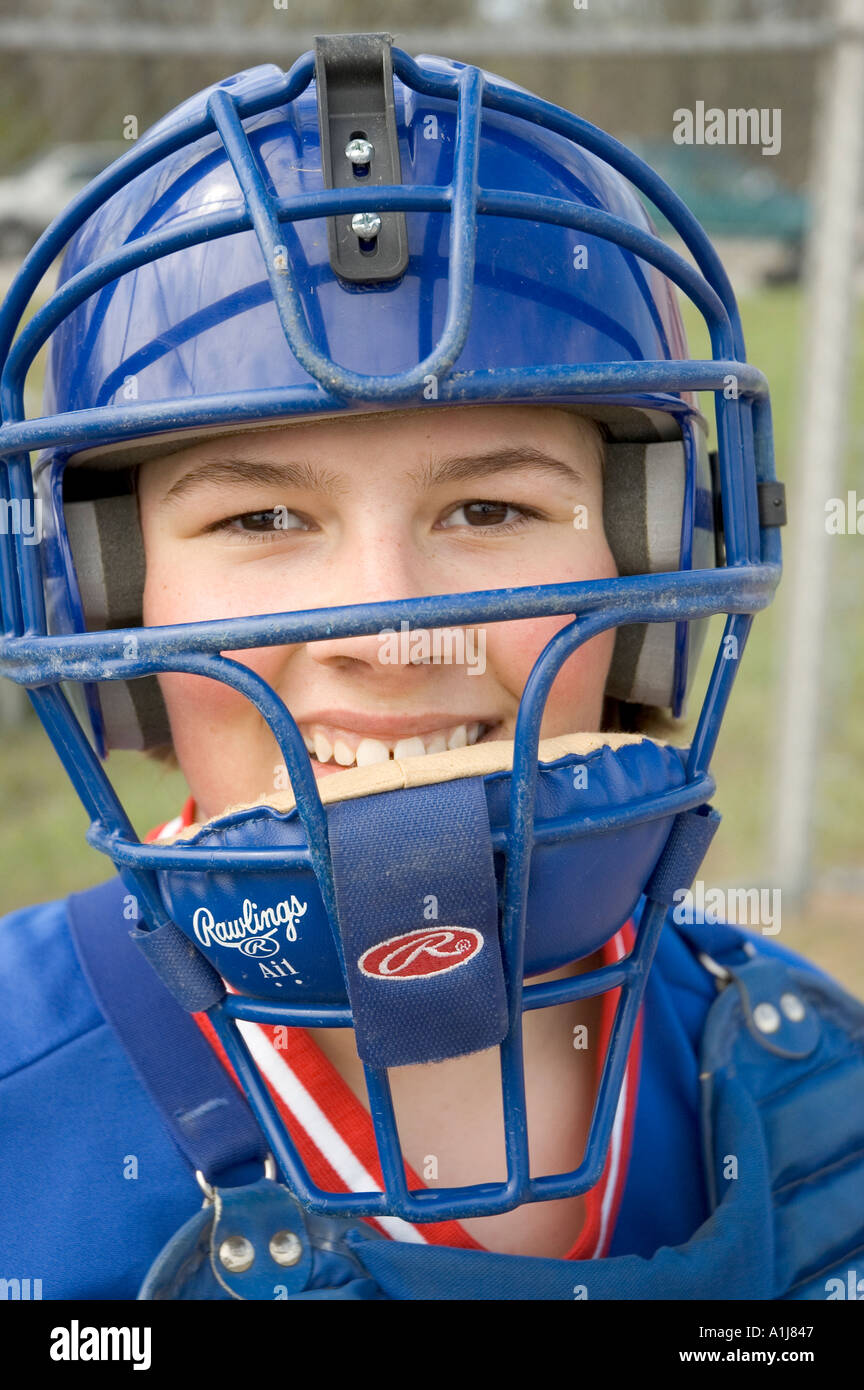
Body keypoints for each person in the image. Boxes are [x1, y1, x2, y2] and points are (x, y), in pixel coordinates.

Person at [0, 34, 861, 1302]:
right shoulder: (30, 1097)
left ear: (658, 563)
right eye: (261, 521)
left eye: (491, 510)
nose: (393, 630)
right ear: (98, 596)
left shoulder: (810, 1074)